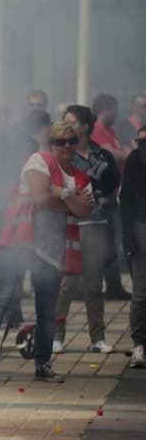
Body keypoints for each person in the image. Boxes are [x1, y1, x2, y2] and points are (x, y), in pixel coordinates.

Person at [0, 121, 93, 384]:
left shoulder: (79, 175)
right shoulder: (38, 160)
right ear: (51, 144)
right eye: (61, 141)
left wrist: (58, 194)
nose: (67, 146)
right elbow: (40, 197)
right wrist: (67, 197)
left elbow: (86, 210)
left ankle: (43, 363)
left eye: (71, 141)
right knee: (1, 299)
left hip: (50, 249)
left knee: (47, 310)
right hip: (21, 242)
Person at [53, 105, 119, 354]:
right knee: (66, 284)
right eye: (65, 122)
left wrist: (91, 178)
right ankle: (56, 335)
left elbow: (112, 182)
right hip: (70, 224)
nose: (68, 127)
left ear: (85, 126)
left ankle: (97, 337)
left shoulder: (101, 154)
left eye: (72, 122)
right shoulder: (62, 155)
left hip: (96, 223)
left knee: (93, 284)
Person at [91, 93, 131, 300]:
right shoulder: (97, 131)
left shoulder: (111, 131)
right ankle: (111, 286)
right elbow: (115, 153)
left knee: (112, 242)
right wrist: (134, 154)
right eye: (114, 110)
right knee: (106, 243)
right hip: (103, 196)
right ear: (105, 110)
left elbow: (122, 149)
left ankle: (114, 286)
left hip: (114, 193)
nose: (117, 114)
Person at [120, 126, 146, 368]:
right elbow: (125, 198)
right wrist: (127, 235)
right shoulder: (136, 160)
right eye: (141, 142)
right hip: (141, 225)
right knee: (141, 289)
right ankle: (139, 345)